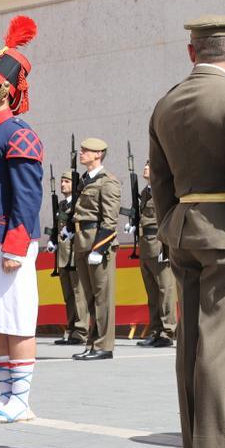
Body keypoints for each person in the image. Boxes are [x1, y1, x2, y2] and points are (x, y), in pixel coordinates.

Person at [149, 14, 225, 448]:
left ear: (190, 52)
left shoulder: (167, 102)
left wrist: (168, 228)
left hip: (183, 231)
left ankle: (195, 436)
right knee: (221, 343)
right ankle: (216, 441)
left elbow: (159, 180)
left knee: (191, 341)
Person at [0, 15, 43, 423]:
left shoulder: (19, 133)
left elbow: (28, 196)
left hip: (7, 241)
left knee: (16, 320)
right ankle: (6, 397)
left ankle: (20, 400)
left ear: (4, 91)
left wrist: (16, 245)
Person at [70, 137, 121, 361]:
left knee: (102, 298)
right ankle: (93, 343)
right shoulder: (85, 180)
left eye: (86, 151)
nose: (81, 153)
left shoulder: (107, 182)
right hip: (82, 241)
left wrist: (99, 248)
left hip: (97, 243)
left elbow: (110, 220)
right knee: (90, 297)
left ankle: (104, 345)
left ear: (98, 154)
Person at [130, 161, 176, 348]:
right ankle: (156, 330)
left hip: (159, 244)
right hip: (146, 245)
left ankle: (168, 331)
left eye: (150, 165)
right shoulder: (145, 192)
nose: (146, 167)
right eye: (145, 164)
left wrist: (166, 246)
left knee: (166, 290)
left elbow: (170, 218)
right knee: (153, 292)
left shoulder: (164, 191)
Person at [48, 170, 89, 346]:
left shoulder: (79, 204)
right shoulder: (62, 204)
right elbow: (56, 227)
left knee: (79, 294)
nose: (62, 184)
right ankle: (71, 329)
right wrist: (52, 240)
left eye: (66, 181)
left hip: (74, 255)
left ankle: (81, 332)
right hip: (63, 256)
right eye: (62, 181)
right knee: (69, 296)